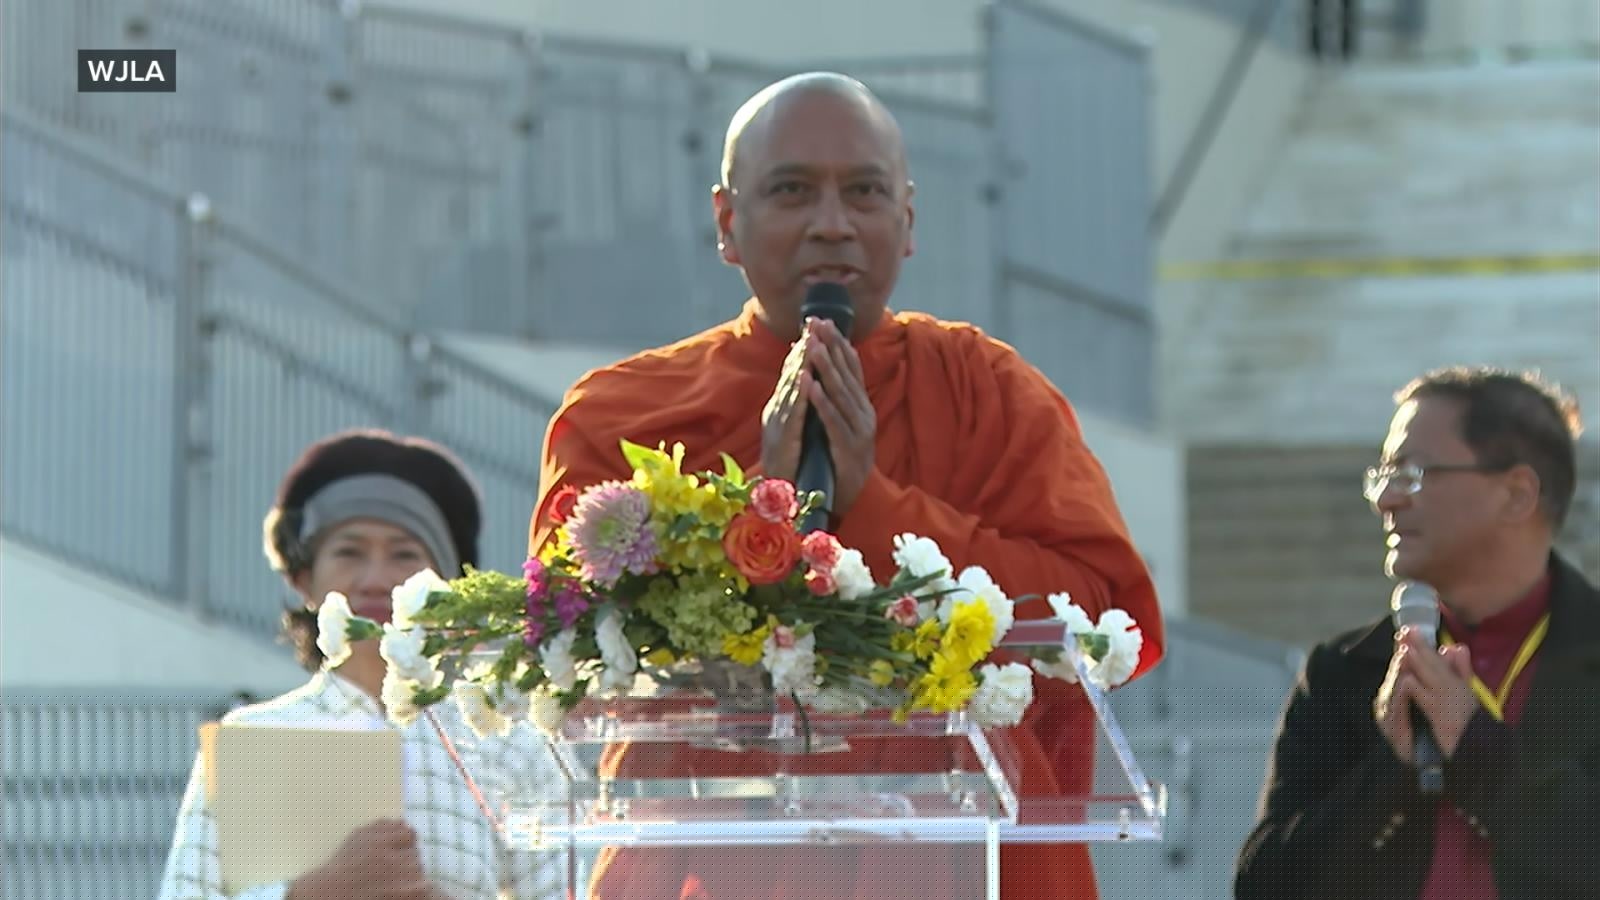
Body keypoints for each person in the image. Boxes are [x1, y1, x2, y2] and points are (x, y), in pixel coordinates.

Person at [529, 72, 1165, 900]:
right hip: (715, 867)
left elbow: (1105, 620)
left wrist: (876, 505)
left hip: (964, 866)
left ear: (907, 222)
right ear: (729, 223)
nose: (832, 224)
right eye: (792, 191)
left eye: (863, 193)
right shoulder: (626, 415)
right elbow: (568, 642)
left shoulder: (991, 394)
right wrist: (759, 503)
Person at [1235, 367, 1600, 900]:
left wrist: (1473, 745)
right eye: (1382, 474)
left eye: (1411, 473)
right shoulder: (1345, 670)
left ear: (1517, 494)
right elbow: (1264, 888)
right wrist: (1393, 772)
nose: (1386, 500)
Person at [157, 429, 565, 900]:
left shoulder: (509, 743)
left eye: (405, 554)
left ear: (449, 582)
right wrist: (312, 893)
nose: (376, 580)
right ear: (304, 579)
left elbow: (572, 890)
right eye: (348, 552)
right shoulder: (255, 738)